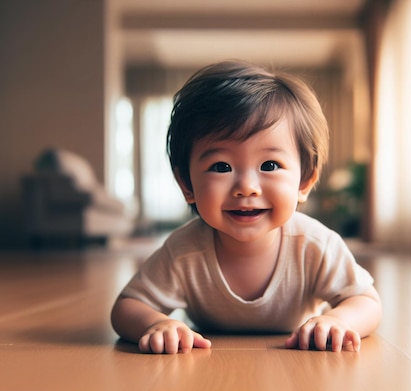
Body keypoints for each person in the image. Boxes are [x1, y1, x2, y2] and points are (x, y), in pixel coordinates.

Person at [110, 60, 382, 354]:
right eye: (221, 166)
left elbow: (366, 301)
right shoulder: (184, 251)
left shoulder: (315, 245)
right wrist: (155, 324)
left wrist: (338, 320)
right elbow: (127, 307)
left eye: (269, 165)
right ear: (187, 185)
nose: (246, 187)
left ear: (304, 182)